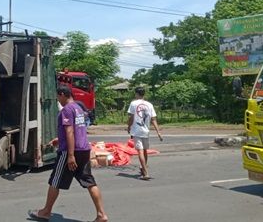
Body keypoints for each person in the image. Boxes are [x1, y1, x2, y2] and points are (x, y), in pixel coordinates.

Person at [29, 84, 108, 222]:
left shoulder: (67, 110)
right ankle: (101, 214)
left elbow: (70, 131)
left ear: (63, 95)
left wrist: (70, 155)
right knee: (89, 181)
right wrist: (59, 140)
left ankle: (46, 212)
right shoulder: (79, 108)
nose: (58, 100)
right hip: (83, 149)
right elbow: (77, 131)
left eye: (58, 97)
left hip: (70, 152)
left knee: (55, 181)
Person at [127, 86, 163, 180]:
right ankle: (143, 167)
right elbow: (153, 119)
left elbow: (131, 117)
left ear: (136, 94)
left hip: (136, 130)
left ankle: (146, 172)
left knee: (140, 151)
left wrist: (129, 127)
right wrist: (158, 132)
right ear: (144, 94)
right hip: (146, 130)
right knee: (145, 150)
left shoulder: (133, 103)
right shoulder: (149, 104)